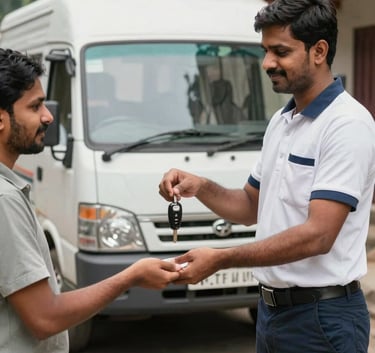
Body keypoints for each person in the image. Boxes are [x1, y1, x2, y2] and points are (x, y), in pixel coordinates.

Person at [159, 1, 375, 352]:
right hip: (272, 315)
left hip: (323, 318)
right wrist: (199, 186)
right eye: (265, 51)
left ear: (319, 51)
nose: (267, 63)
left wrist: (222, 258)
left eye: (280, 52)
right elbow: (248, 205)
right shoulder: (282, 121)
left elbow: (319, 235)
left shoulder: (346, 125)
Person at [0, 48, 180, 352]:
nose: (48, 116)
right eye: (35, 106)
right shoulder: (4, 199)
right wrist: (130, 277)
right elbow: (45, 317)